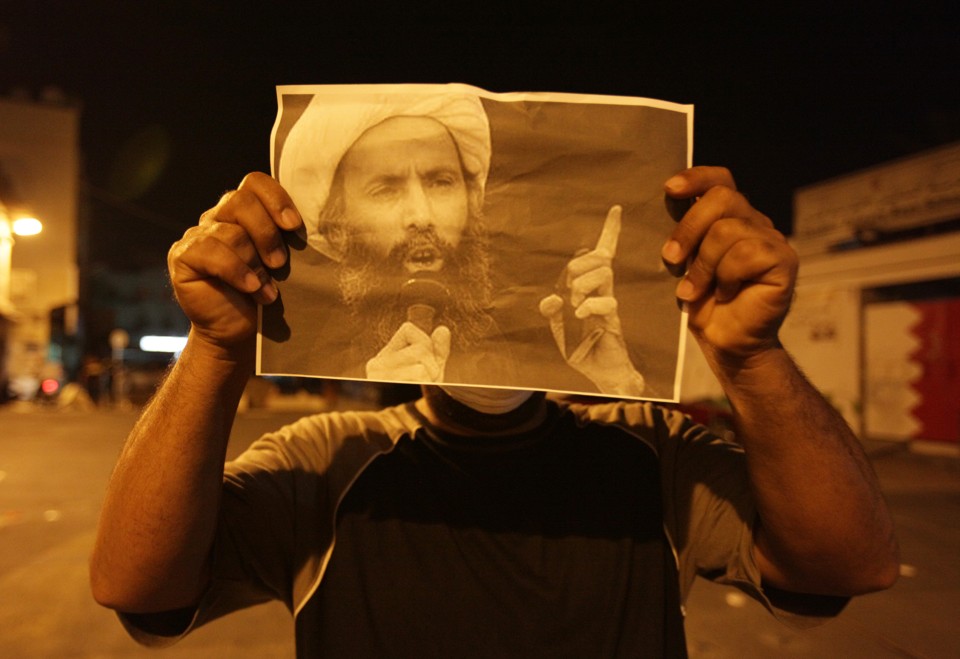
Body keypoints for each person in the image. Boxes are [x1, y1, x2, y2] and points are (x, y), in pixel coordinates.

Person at [90, 166, 899, 657]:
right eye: (389, 189)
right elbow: (137, 583)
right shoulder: (326, 460)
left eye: (448, 188)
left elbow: (849, 564)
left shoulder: (653, 454)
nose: (424, 216)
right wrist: (214, 349)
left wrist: (752, 357)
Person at [259, 91, 646, 396]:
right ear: (337, 226)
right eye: (386, 189)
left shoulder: (541, 341)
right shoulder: (316, 370)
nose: (421, 215)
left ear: (472, 199)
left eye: (440, 182)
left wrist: (617, 382)